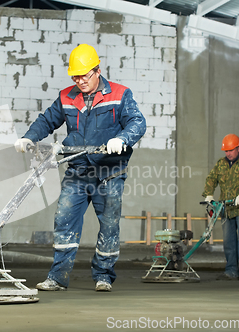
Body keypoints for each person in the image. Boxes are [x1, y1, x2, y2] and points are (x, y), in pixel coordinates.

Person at [14, 44, 146, 292]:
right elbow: (47, 120)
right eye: (75, 76)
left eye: (84, 75)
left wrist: (123, 139)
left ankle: (104, 275)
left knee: (108, 224)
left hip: (109, 172)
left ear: (97, 70)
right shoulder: (67, 96)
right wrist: (29, 137)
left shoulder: (120, 94)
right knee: (64, 219)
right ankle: (58, 277)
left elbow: (137, 122)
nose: (80, 81)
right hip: (77, 170)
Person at [202, 134, 239, 281]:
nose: (228, 153)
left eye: (231, 150)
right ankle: (231, 270)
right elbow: (211, 178)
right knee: (228, 240)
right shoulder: (221, 164)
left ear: (238, 148)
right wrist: (208, 194)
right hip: (226, 208)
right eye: (226, 151)